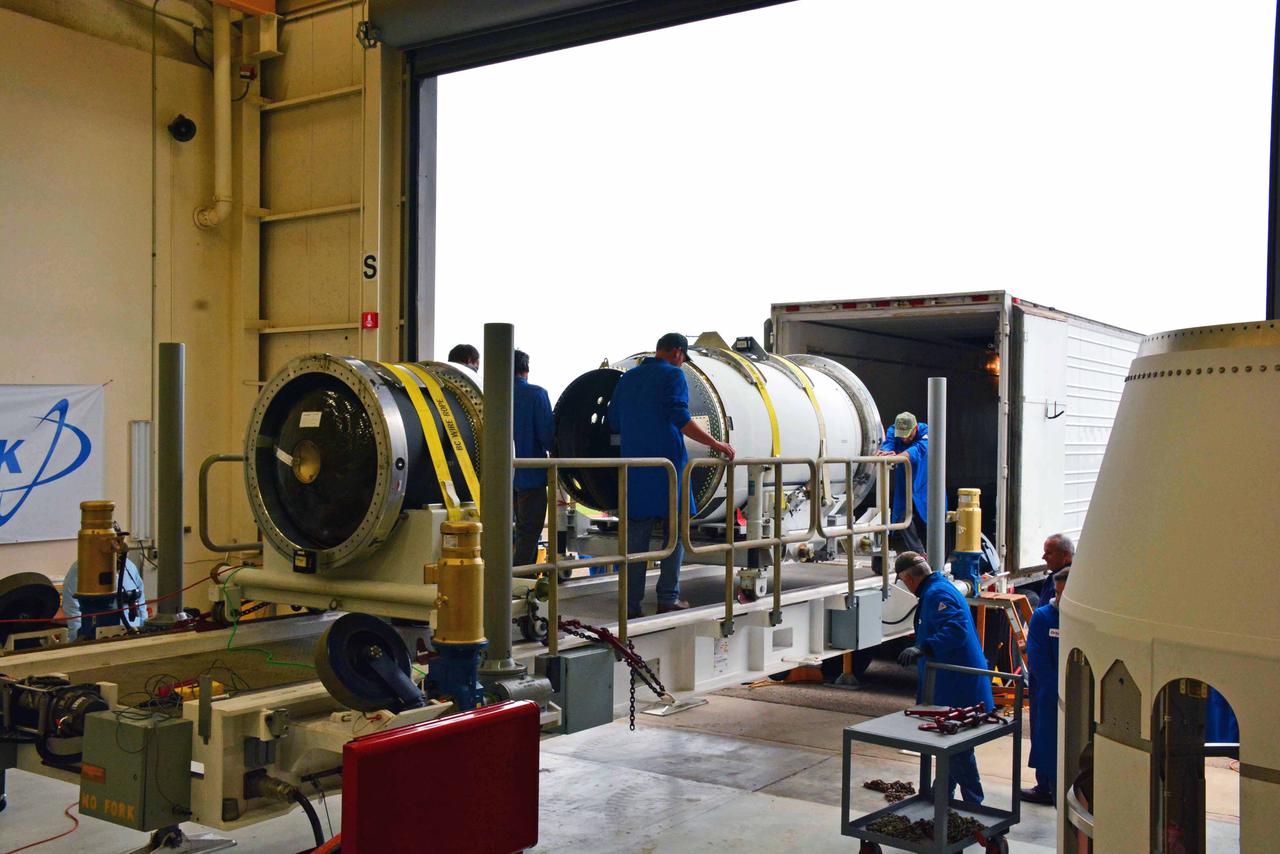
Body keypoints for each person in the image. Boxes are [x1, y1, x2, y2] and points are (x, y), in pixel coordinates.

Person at [607, 333, 735, 618]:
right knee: (675, 535)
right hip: (668, 470)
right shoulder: (674, 376)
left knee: (635, 543)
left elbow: (614, 421)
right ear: (678, 353)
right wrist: (715, 444)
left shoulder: (627, 378)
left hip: (635, 470)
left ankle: (629, 605)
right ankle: (667, 597)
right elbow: (680, 417)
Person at [896, 551, 993, 805]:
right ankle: (940, 798)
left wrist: (924, 647)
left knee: (956, 749)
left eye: (903, 582)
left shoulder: (937, 593)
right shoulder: (936, 589)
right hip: (953, 684)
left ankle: (975, 806)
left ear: (908, 578)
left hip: (958, 687)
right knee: (950, 747)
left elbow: (956, 629)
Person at [1022, 565, 1069, 805]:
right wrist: (1057, 691)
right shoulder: (1044, 617)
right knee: (1046, 742)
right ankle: (1046, 787)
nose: (1058, 598)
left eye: (1064, 593)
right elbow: (1038, 659)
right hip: (1049, 696)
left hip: (1073, 697)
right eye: (1057, 592)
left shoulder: (1078, 619)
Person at [512, 349, 554, 568]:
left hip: (500, 480)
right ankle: (520, 586)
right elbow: (548, 437)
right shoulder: (536, 394)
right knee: (528, 535)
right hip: (531, 477)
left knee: (504, 534)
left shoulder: (490, 395)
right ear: (526, 370)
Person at [877, 411, 929, 557]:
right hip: (905, 484)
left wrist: (898, 456)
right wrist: (885, 453)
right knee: (902, 517)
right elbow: (888, 444)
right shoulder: (893, 430)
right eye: (902, 436)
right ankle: (919, 554)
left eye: (909, 435)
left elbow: (918, 450)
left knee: (929, 519)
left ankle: (937, 557)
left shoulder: (926, 432)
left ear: (915, 428)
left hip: (925, 483)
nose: (905, 439)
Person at [1034, 533, 1074, 607]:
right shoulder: (1056, 577)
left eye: (1049, 553)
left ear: (1064, 554)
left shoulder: (1062, 581)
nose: (1043, 557)